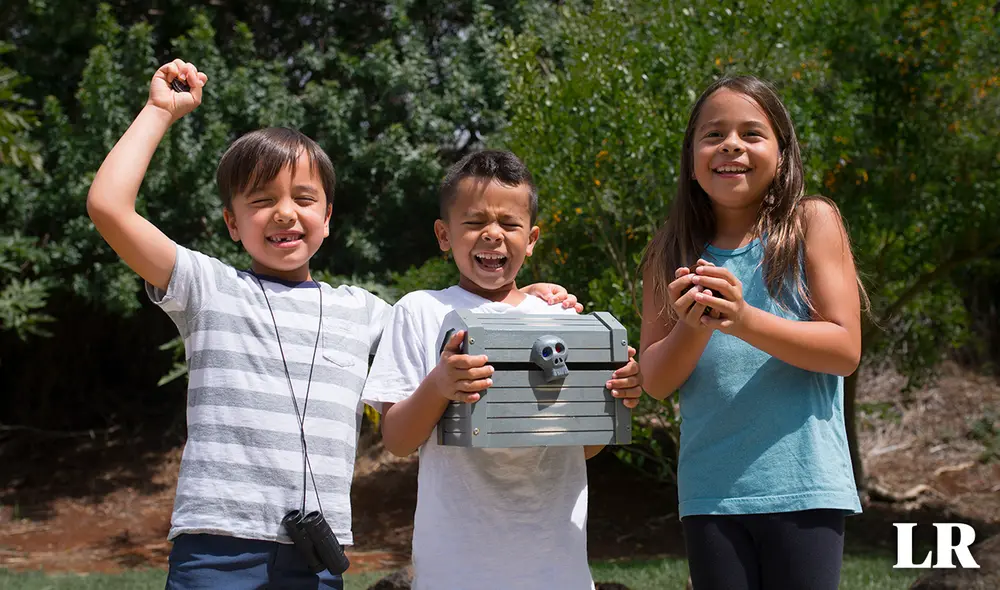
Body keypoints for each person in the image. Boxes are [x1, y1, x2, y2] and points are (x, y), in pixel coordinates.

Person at [86, 60, 579, 589]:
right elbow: (109, 207)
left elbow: (454, 328)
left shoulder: (367, 312)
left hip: (319, 555)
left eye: (303, 198)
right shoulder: (210, 289)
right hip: (218, 547)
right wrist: (160, 110)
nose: (283, 213)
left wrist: (521, 298)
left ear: (327, 217)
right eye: (261, 201)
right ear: (231, 223)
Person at [360, 150, 644, 590]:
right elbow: (397, 440)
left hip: (558, 569)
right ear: (443, 234)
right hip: (454, 569)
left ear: (531, 239)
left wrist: (614, 400)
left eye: (509, 225)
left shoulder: (563, 320)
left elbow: (583, 449)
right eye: (474, 223)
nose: (492, 235)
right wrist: (440, 384)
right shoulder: (418, 311)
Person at [638, 75, 866, 590]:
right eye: (713, 134)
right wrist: (695, 329)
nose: (731, 146)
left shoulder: (813, 222)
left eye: (752, 133)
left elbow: (844, 349)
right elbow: (655, 379)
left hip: (805, 488)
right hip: (710, 495)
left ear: (782, 155)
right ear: (691, 159)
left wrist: (742, 320)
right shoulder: (667, 253)